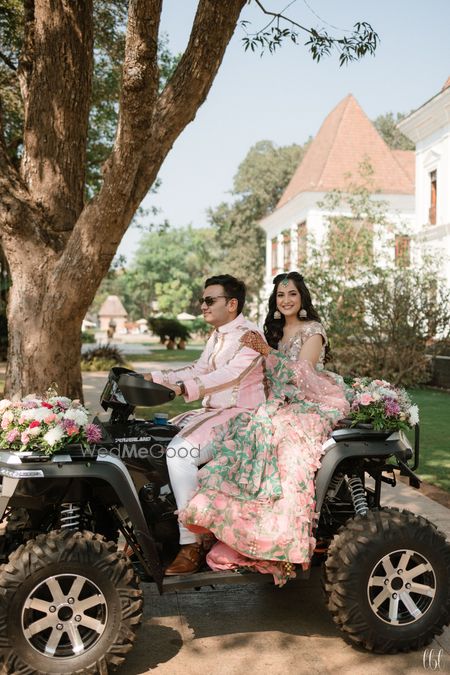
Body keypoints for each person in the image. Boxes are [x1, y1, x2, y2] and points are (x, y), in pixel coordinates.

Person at [178, 271, 350, 585]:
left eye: (292, 295)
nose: (286, 300)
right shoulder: (270, 332)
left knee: (285, 448)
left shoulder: (312, 331)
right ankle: (225, 530)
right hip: (273, 401)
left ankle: (275, 539)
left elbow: (303, 376)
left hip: (306, 401)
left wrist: (267, 353)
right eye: (281, 295)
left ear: (302, 299)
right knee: (242, 437)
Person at [144, 274, 266, 574]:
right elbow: (199, 368)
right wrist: (155, 377)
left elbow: (229, 376)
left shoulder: (251, 336)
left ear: (232, 304)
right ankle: (154, 530)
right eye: (203, 300)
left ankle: (192, 544)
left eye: (210, 300)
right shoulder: (218, 335)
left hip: (242, 416)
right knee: (152, 440)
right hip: (214, 412)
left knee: (179, 454)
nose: (203, 306)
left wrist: (184, 388)